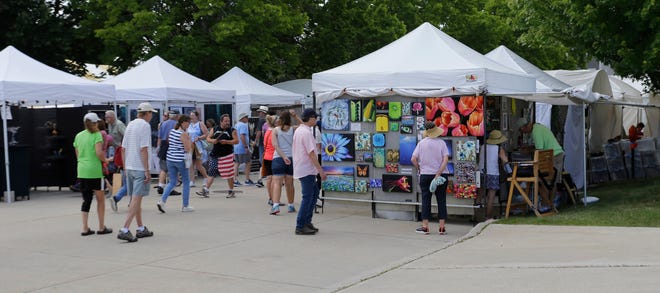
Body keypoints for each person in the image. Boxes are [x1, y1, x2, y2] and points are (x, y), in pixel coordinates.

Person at [117, 102, 157, 242]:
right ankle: (125, 228)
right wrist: (147, 170)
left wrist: (126, 166)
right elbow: (144, 149)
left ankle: (140, 228)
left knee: (136, 199)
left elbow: (123, 148)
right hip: (140, 167)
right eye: (151, 113)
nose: (152, 116)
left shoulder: (130, 124)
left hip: (130, 166)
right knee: (136, 199)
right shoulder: (145, 126)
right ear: (147, 113)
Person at [73, 112, 112, 236]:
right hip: (95, 170)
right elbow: (99, 153)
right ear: (96, 123)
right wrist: (106, 160)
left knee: (86, 200)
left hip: (82, 170)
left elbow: (77, 154)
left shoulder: (78, 136)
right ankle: (101, 227)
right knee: (100, 199)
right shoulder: (97, 135)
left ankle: (84, 227)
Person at [411, 122, 450, 235]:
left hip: (425, 175)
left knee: (426, 200)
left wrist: (419, 168)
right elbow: (445, 160)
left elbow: (413, 159)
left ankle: (425, 227)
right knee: (441, 200)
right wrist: (438, 173)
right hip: (441, 176)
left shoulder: (421, 143)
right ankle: (442, 228)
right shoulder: (442, 143)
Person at [292, 109, 326, 235]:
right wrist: (320, 171)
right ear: (310, 118)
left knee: (313, 194)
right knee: (308, 197)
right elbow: (312, 154)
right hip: (306, 169)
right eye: (315, 118)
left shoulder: (300, 130)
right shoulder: (306, 133)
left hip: (304, 168)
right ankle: (300, 225)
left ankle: (307, 222)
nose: (316, 120)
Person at [157, 115, 194, 213]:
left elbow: (170, 142)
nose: (189, 125)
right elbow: (187, 148)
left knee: (172, 182)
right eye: (188, 123)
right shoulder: (183, 134)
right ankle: (185, 206)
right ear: (183, 122)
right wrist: (189, 140)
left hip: (170, 158)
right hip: (180, 159)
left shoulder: (172, 131)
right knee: (186, 181)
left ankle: (162, 201)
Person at [197, 114, 238, 198]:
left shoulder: (232, 130)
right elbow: (208, 138)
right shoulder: (215, 128)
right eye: (226, 121)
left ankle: (231, 191)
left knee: (228, 174)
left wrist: (226, 142)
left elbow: (236, 141)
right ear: (221, 121)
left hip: (227, 155)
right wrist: (213, 140)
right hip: (215, 154)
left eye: (228, 121)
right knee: (211, 171)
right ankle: (206, 190)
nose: (227, 123)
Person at [516, 117, 564, 184]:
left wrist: (529, 152)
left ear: (524, 127)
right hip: (554, 154)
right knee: (551, 181)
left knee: (548, 181)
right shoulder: (537, 127)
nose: (523, 133)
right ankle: (550, 194)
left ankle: (549, 194)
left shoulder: (536, 132)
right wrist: (529, 148)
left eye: (521, 131)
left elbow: (539, 151)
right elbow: (539, 147)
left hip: (555, 155)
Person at [270, 110, 300, 215]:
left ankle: (275, 206)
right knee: (290, 184)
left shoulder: (275, 130)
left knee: (277, 183)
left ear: (281, 119)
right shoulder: (293, 129)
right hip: (291, 158)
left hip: (278, 158)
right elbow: (304, 126)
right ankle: (291, 205)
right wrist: (295, 115)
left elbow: (275, 145)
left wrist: (283, 156)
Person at [479, 130, 509, 219]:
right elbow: (505, 161)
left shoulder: (483, 147)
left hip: (482, 172)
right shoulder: (499, 149)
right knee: (491, 196)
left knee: (480, 193)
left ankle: (476, 214)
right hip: (493, 173)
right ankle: (488, 216)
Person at [156, 110, 181, 195]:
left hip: (163, 145)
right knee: (173, 168)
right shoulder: (177, 124)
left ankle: (161, 185)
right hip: (172, 145)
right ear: (177, 116)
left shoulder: (163, 123)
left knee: (163, 168)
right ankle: (171, 188)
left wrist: (158, 147)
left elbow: (159, 136)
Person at [187, 110, 210, 187]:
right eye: (191, 115)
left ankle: (206, 178)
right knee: (190, 164)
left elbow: (207, 133)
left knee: (198, 165)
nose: (191, 117)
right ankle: (192, 181)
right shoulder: (189, 125)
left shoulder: (200, 124)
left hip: (198, 146)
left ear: (197, 116)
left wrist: (199, 137)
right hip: (190, 146)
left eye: (193, 115)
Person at [233, 113, 253, 186]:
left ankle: (234, 180)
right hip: (242, 147)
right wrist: (245, 146)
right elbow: (242, 136)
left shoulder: (236, 125)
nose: (247, 119)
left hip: (236, 147)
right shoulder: (243, 125)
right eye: (246, 117)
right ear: (243, 118)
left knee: (236, 163)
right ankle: (247, 179)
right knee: (248, 162)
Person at [262, 115, 277, 206]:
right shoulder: (275, 132)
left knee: (269, 178)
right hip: (274, 157)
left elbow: (264, 144)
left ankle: (271, 198)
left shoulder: (267, 131)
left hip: (267, 156)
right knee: (274, 179)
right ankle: (274, 198)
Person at [254, 106, 269, 187]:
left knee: (262, 161)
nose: (259, 113)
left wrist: (255, 141)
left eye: (260, 112)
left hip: (262, 143)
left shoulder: (261, 120)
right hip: (269, 143)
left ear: (263, 113)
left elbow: (259, 132)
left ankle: (260, 179)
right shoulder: (269, 120)